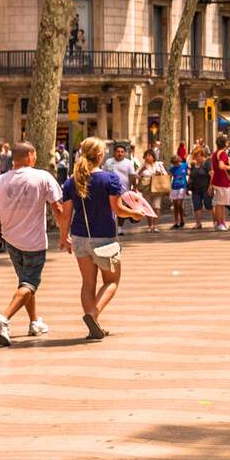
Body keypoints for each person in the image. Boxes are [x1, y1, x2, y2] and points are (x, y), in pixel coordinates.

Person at [56, 135, 140, 339]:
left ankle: (93, 325)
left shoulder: (71, 182)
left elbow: (65, 215)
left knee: (87, 283)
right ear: (101, 155)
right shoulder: (110, 179)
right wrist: (135, 214)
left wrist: (63, 237)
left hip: (79, 237)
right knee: (112, 281)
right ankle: (93, 315)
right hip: (105, 237)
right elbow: (118, 209)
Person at [0, 142, 61, 346]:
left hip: (11, 240)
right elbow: (57, 207)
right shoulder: (43, 177)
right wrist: (65, 234)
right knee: (29, 283)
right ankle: (4, 318)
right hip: (34, 241)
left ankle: (34, 321)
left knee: (25, 282)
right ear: (30, 155)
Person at [209, 135, 230, 229]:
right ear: (225, 143)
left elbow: (213, 169)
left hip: (217, 181)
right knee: (220, 205)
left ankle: (222, 222)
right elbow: (221, 166)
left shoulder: (215, 154)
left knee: (221, 204)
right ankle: (220, 223)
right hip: (222, 181)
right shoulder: (222, 154)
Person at [168, 145, 190, 230]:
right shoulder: (172, 168)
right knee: (175, 205)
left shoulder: (184, 165)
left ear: (179, 161)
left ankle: (182, 219)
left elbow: (189, 173)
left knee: (179, 204)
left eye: (177, 163)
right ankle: (176, 221)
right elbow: (169, 177)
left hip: (183, 186)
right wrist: (168, 187)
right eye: (174, 163)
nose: (176, 165)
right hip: (174, 187)